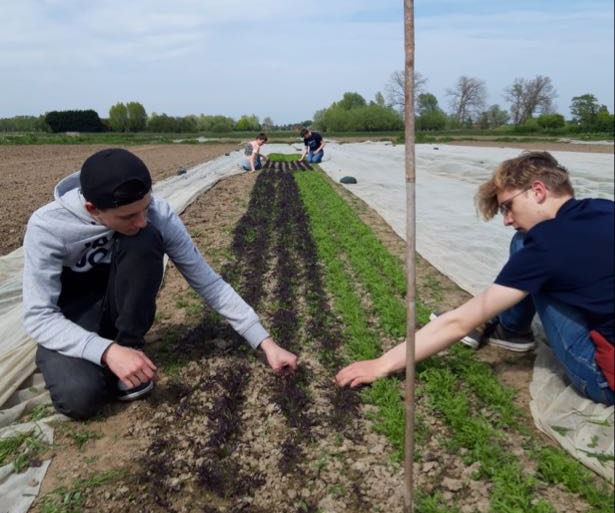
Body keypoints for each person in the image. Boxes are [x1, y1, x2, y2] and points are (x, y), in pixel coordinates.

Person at [23, 148, 298, 420]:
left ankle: (129, 345)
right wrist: (105, 351)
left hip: (119, 303)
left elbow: (208, 282)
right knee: (81, 398)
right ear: (92, 209)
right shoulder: (49, 226)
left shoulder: (158, 213)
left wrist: (266, 343)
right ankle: (104, 355)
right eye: (128, 216)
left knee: (145, 238)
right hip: (73, 316)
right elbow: (39, 316)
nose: (142, 220)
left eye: (145, 208)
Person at [335, 151, 614, 406]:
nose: (506, 219)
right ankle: (511, 328)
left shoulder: (546, 246)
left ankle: (510, 330)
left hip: (603, 380)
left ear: (538, 191)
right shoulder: (604, 208)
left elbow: (458, 323)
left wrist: (381, 364)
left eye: (508, 206)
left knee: (525, 249)